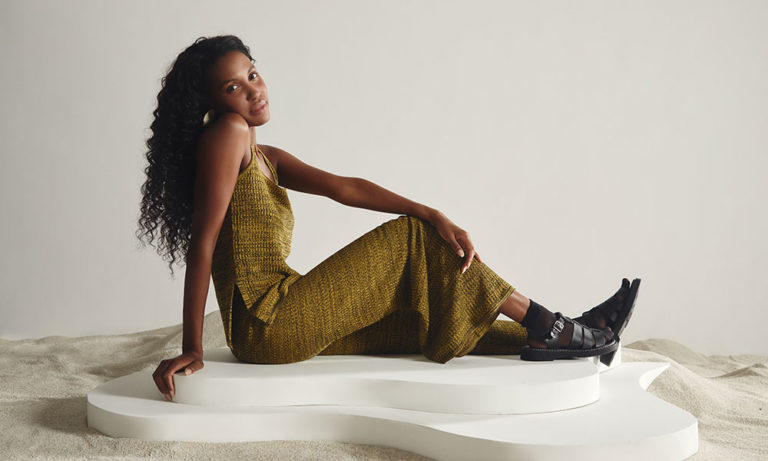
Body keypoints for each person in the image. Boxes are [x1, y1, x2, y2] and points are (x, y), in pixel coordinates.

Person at [138, 35, 640, 402]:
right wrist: (192, 347)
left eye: (253, 74)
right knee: (411, 239)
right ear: (212, 103)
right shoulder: (227, 133)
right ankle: (548, 323)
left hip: (286, 312)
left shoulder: (264, 155)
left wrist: (432, 211)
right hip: (268, 324)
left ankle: (574, 334)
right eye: (233, 86)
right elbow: (203, 242)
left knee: (420, 319)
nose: (253, 90)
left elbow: (345, 188)